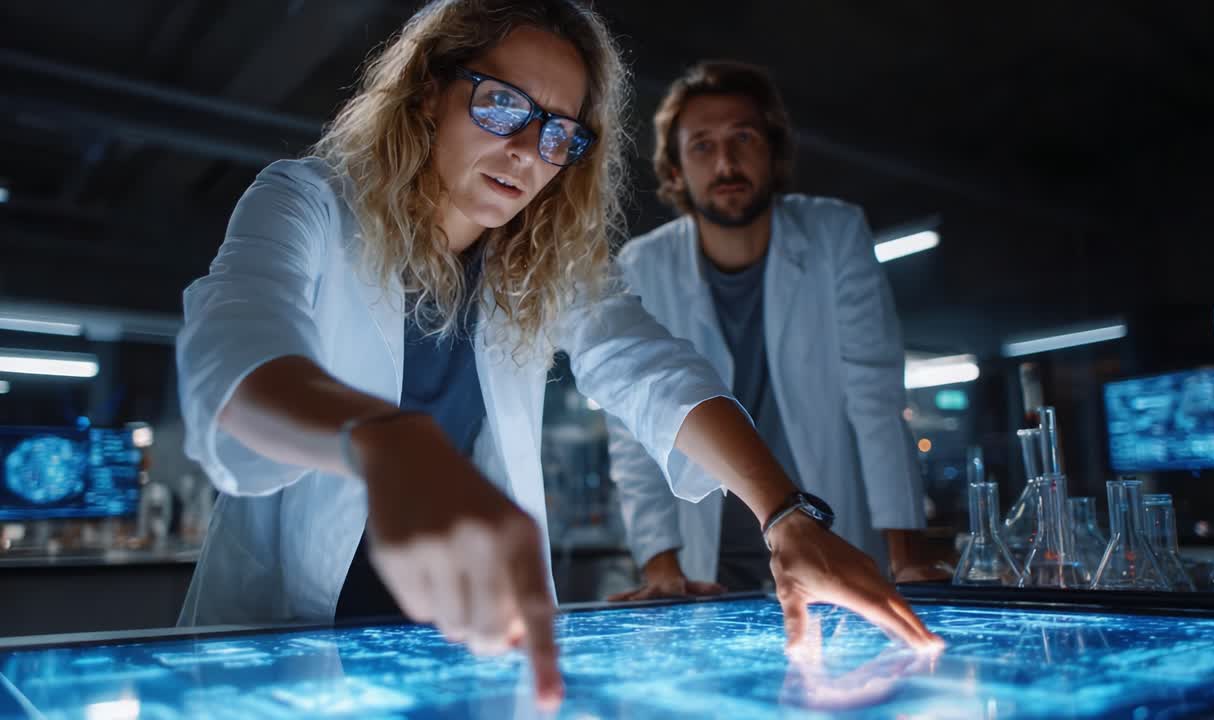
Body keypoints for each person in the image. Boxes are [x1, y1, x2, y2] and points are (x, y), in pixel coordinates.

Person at [175, 2, 940, 709]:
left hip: (464, 654)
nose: (526, 152)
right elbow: (236, 358)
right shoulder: (306, 201)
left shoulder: (544, 263)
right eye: (502, 103)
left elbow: (653, 373)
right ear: (428, 90)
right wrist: (381, 441)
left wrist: (786, 517)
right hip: (284, 647)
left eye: (555, 132)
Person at [608, 60, 950, 603]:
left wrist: (906, 558)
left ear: (774, 148)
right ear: (675, 169)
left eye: (744, 137)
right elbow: (635, 434)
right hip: (708, 564)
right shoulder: (642, 265)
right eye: (702, 145)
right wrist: (661, 565)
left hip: (828, 544)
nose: (726, 162)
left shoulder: (835, 234)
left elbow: (876, 400)